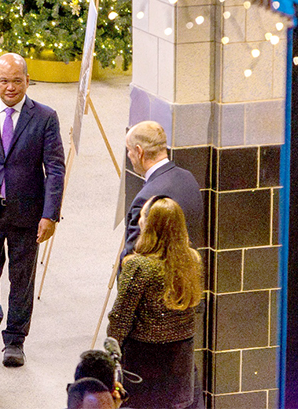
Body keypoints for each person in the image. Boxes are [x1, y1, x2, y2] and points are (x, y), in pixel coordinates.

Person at [0, 53, 65, 367]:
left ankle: (15, 340)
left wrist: (50, 214)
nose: (10, 87)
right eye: (4, 80)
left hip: (27, 212)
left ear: (27, 81)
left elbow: (55, 169)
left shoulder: (45, 117)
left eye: (17, 80)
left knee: (22, 279)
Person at [107, 196, 203, 408]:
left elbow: (120, 319)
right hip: (181, 366)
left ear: (150, 226)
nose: (139, 221)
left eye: (142, 217)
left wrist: (112, 352)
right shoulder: (192, 261)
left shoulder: (139, 267)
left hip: (144, 367)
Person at [121, 121, 204, 265]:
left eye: (129, 150)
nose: (128, 155)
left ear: (139, 152)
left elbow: (132, 260)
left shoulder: (145, 199)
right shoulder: (188, 178)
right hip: (186, 276)